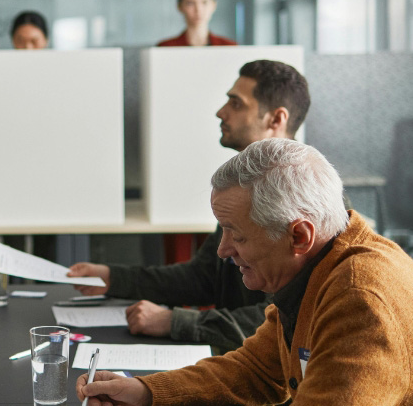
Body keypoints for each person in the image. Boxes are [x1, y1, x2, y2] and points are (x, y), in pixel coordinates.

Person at [77, 139, 413, 405]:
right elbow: (256, 369)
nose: (224, 249)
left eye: (236, 235)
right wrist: (148, 392)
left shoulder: (361, 303)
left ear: (299, 236)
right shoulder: (323, 268)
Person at [68, 60, 309, 351]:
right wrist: (112, 278)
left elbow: (282, 319)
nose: (221, 112)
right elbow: (203, 276)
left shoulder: (305, 199)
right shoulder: (248, 186)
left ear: (275, 119)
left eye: (236, 103)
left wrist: (176, 322)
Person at [157, 0, 236, 47]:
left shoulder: (229, 47)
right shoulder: (166, 48)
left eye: (204, 2)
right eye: (190, 3)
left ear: (213, 5)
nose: (198, 9)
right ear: (180, 6)